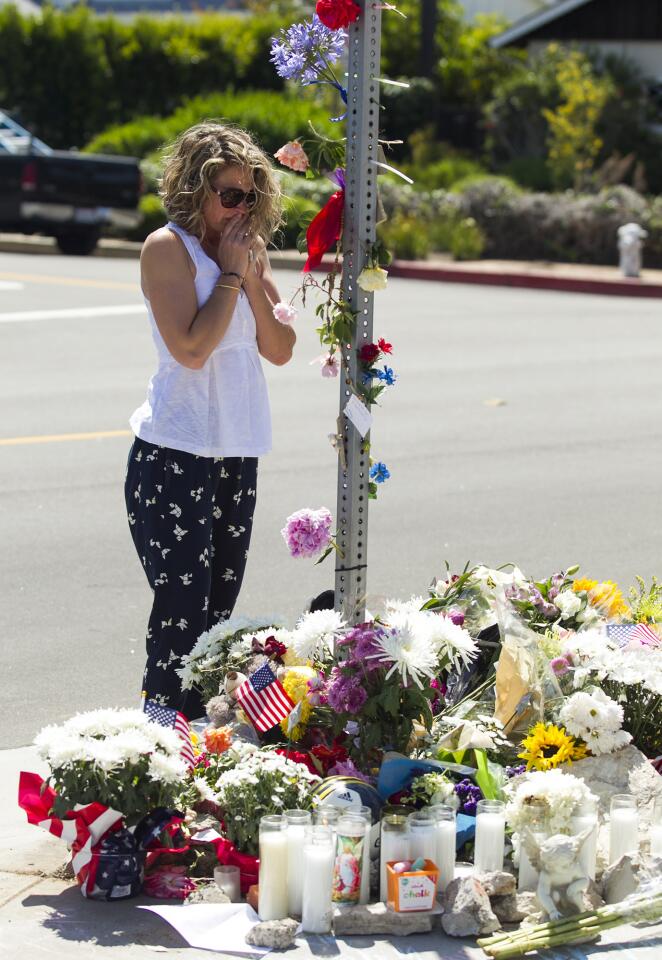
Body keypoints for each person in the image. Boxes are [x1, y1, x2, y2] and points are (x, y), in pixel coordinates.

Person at [124, 122, 295, 720]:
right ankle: (161, 738)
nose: (239, 209)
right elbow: (191, 350)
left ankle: (204, 736)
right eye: (228, 195)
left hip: (235, 453)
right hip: (176, 451)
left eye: (249, 196)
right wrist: (225, 276)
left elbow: (280, 348)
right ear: (195, 190)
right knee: (182, 607)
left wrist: (248, 275)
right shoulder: (166, 249)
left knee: (219, 610)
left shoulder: (248, 254)